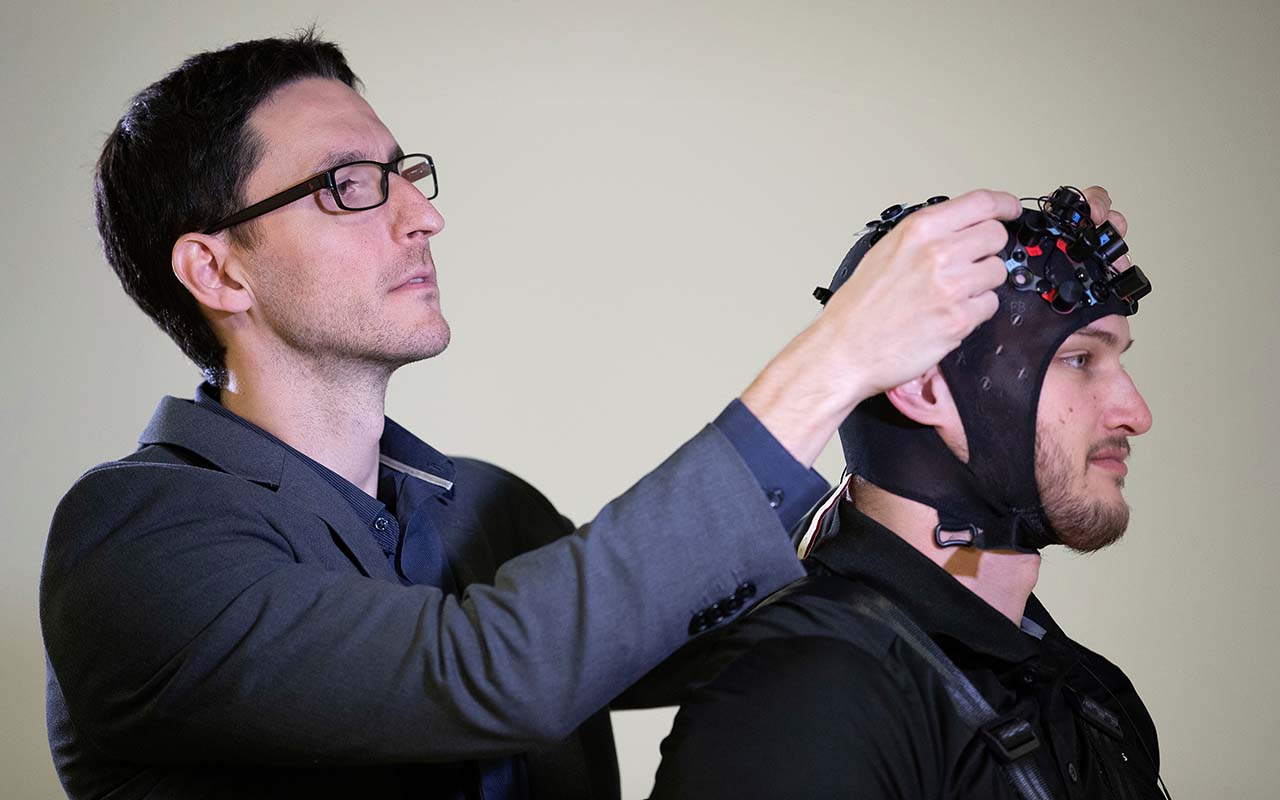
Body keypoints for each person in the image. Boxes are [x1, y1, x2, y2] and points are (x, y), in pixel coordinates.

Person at [38, 29, 1104, 800]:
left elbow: (684, 623)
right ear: (216, 268)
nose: (424, 213)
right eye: (351, 185)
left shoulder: (487, 513)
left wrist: (954, 416)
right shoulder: (132, 545)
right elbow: (499, 668)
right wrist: (837, 354)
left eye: (404, 173)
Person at [650, 187, 1167, 799]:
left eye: (1119, 362)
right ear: (924, 389)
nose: (1136, 413)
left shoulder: (1083, 689)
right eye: (1079, 359)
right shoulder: (811, 695)